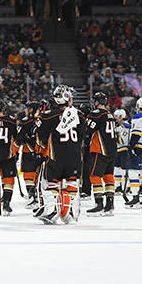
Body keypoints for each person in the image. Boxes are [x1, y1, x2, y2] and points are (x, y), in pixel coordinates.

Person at [34, 85, 85, 224]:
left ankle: (51, 211)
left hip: (56, 156)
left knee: (50, 183)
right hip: (74, 157)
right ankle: (71, 213)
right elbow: (82, 135)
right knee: (72, 183)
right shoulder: (79, 114)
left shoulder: (49, 115)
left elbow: (41, 137)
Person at [84, 92, 118, 216]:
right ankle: (110, 205)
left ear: (97, 102)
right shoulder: (110, 114)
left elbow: (87, 131)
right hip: (112, 150)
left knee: (94, 176)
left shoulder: (96, 114)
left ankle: (99, 204)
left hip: (100, 150)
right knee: (108, 177)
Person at [16, 101, 41, 209]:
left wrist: (15, 151)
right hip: (41, 152)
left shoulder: (25, 122)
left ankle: (33, 197)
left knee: (28, 175)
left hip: (28, 152)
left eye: (27, 108)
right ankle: (38, 196)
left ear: (31, 110)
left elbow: (19, 139)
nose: (25, 110)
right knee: (38, 175)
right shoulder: (42, 120)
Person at [113, 108, 130, 195]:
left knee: (124, 170)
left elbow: (122, 141)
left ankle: (126, 187)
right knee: (116, 169)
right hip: (118, 150)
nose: (115, 118)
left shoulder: (126, 126)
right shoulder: (119, 127)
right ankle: (118, 186)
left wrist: (113, 136)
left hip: (124, 151)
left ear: (121, 116)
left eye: (116, 116)